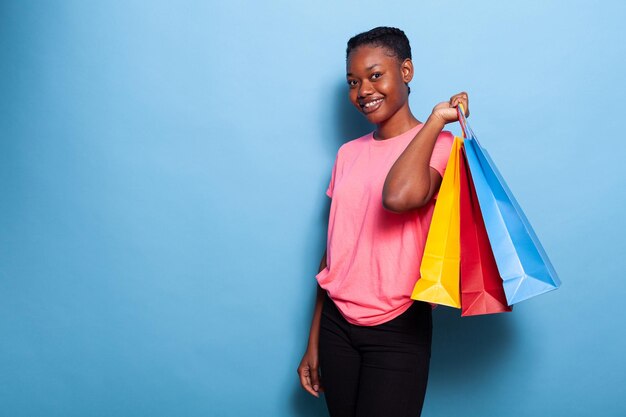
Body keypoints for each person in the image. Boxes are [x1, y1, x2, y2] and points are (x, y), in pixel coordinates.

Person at [297, 26, 470, 417]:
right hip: (337, 325)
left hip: (398, 327)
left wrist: (435, 121)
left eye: (376, 75)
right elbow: (333, 255)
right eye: (353, 81)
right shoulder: (347, 154)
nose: (363, 91)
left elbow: (399, 197)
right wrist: (313, 341)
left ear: (406, 71)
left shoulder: (444, 147)